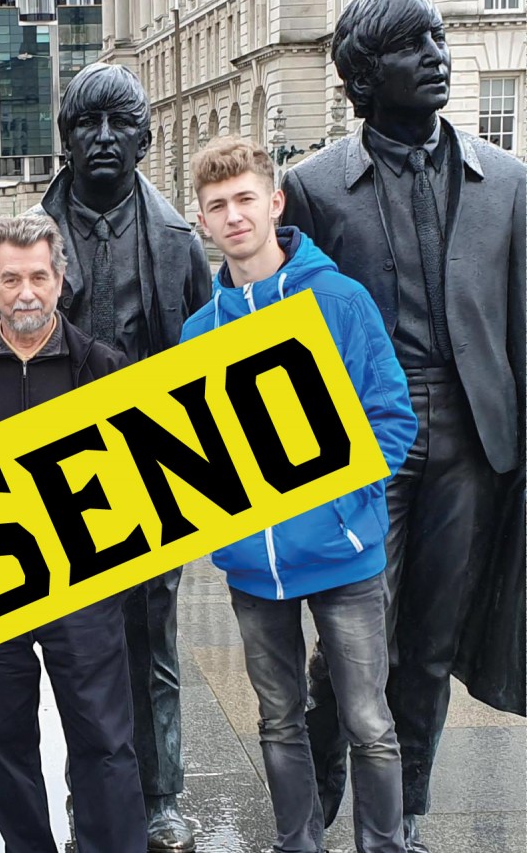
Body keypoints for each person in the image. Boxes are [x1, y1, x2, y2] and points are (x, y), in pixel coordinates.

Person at [280, 0, 526, 849]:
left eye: (439, 37)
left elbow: (521, 323)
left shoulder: (508, 183)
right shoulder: (311, 188)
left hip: (471, 434)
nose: (436, 54)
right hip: (363, 438)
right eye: (410, 44)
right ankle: (315, 802)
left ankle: (403, 814)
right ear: (362, 74)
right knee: (352, 642)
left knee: (431, 645)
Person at [182, 136, 417, 853]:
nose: (233, 216)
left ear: (274, 203)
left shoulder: (340, 300)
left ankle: (383, 845)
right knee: (278, 719)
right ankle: (297, 843)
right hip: (256, 568)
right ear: (202, 219)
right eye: (218, 205)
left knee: (368, 721)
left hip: (345, 556)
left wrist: (344, 500)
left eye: (245, 199)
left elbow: (392, 416)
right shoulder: (199, 332)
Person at [0, 215, 147, 853]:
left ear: (60, 280)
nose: (26, 293)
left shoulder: (103, 368)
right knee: (9, 745)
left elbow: (141, 483)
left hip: (84, 592)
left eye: (38, 277)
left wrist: (115, 587)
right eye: (10, 279)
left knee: (105, 742)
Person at [30, 61, 211, 852]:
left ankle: (161, 794)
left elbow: (208, 361)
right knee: (78, 652)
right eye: (87, 124)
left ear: (145, 138)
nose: (103, 138)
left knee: (152, 641)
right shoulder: (25, 243)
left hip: (152, 465)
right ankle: (91, 795)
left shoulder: (177, 244)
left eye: (120, 124)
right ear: (65, 140)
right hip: (60, 471)